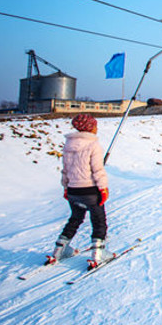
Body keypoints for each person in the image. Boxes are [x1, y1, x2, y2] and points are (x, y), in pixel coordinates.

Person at [48, 113, 113, 269]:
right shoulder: (93, 145)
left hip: (73, 190)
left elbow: (66, 170)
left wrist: (66, 187)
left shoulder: (68, 145)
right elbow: (97, 170)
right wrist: (103, 188)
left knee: (75, 218)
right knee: (98, 221)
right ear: (90, 128)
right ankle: (98, 253)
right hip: (90, 190)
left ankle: (60, 249)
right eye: (95, 125)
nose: (97, 128)